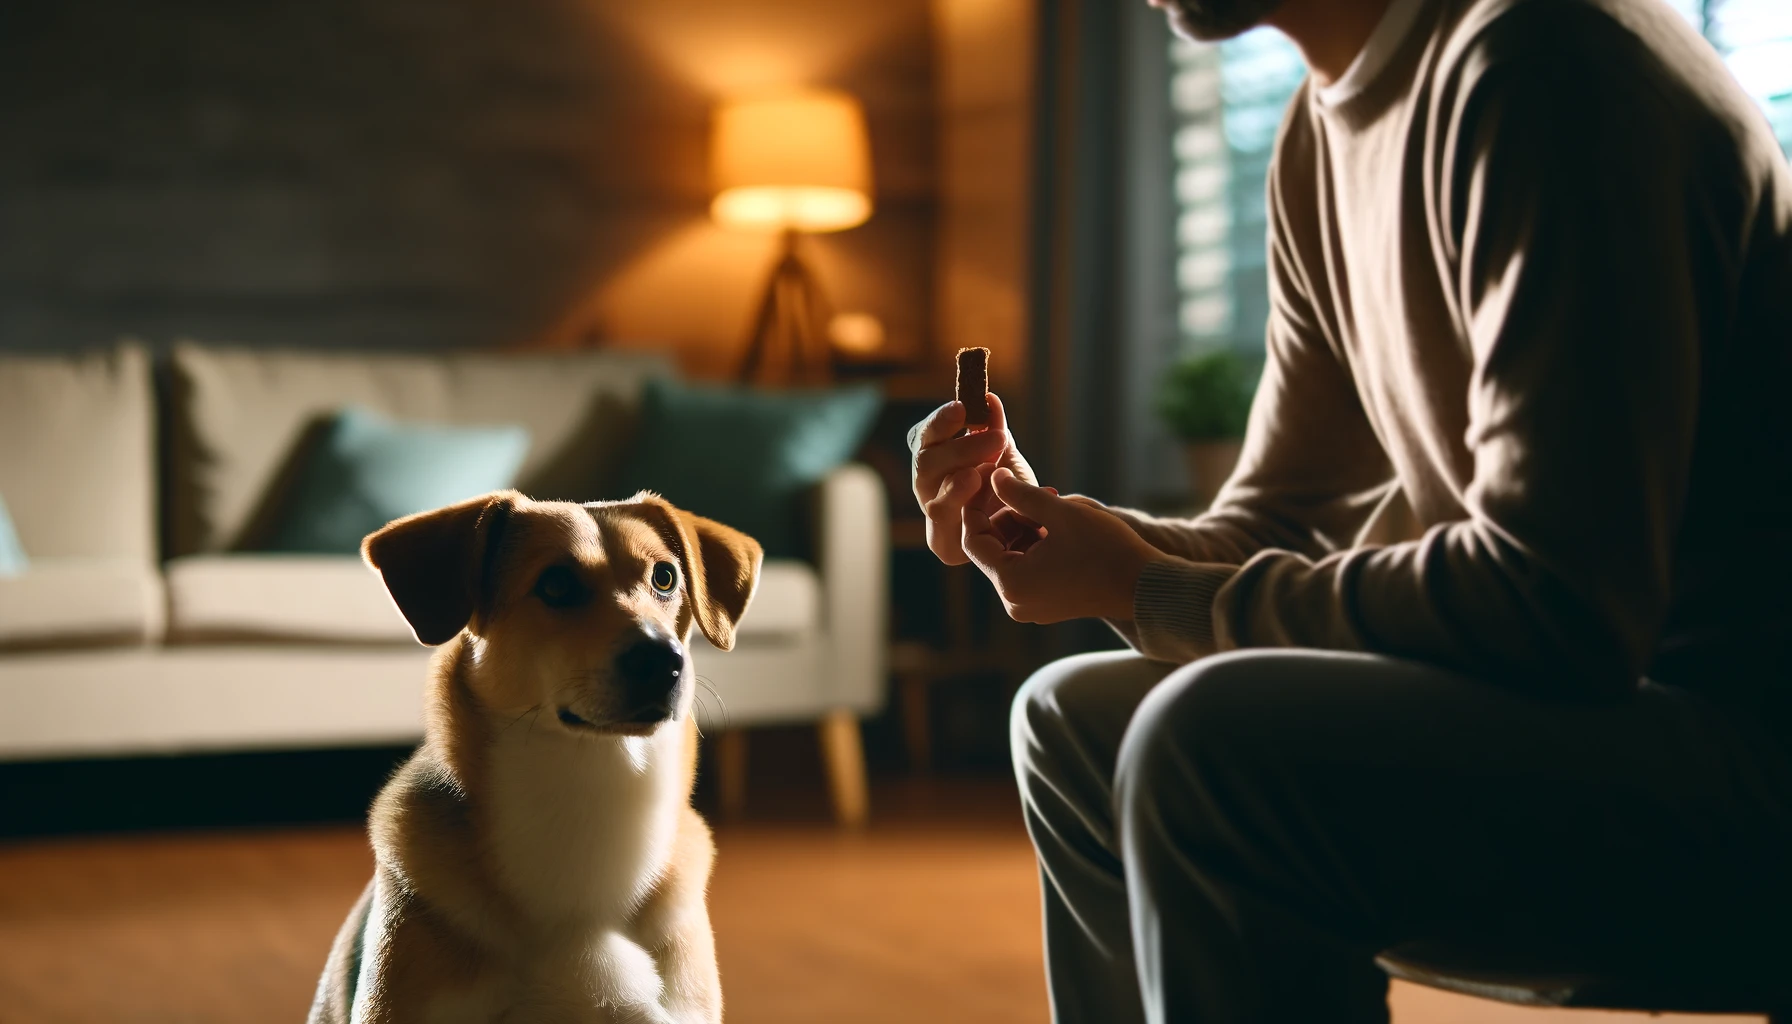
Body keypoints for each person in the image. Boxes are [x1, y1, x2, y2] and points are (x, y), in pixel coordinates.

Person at [907, 0, 1792, 1018]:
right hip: (1610, 734)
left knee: (1208, 747)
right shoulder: (1316, 135)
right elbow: (1278, 524)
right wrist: (1061, 533)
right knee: (1073, 721)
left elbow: (1559, 606)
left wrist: (1139, 582)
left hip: (1741, 767)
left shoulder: (1542, 66)